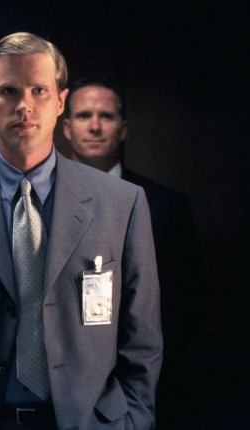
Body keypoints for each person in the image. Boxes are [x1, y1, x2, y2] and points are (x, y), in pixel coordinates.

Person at [0, 32, 162, 429]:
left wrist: (133, 420)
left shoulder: (122, 203)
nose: (24, 105)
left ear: (60, 101)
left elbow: (142, 338)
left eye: (39, 90)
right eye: (9, 91)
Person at [62, 77, 199, 379]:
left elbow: (178, 307)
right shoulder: (37, 201)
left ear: (122, 129)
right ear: (67, 128)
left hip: (141, 377)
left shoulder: (167, 206)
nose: (94, 127)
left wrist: (144, 377)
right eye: (84, 116)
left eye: (106, 116)